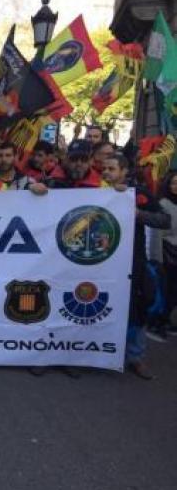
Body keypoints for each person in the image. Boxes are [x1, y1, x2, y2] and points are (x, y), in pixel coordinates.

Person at [101, 154, 171, 379]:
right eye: (104, 168)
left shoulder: (138, 194)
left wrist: (139, 214)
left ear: (124, 171)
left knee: (137, 306)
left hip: (133, 261)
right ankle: (99, 352)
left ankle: (136, 357)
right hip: (101, 263)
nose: (106, 172)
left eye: (112, 168)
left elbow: (165, 220)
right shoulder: (93, 191)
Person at [151, 171, 177, 335]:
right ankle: (158, 322)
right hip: (168, 253)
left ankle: (168, 320)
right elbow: (157, 234)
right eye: (173, 182)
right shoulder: (163, 204)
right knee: (166, 289)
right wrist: (156, 258)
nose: (176, 186)